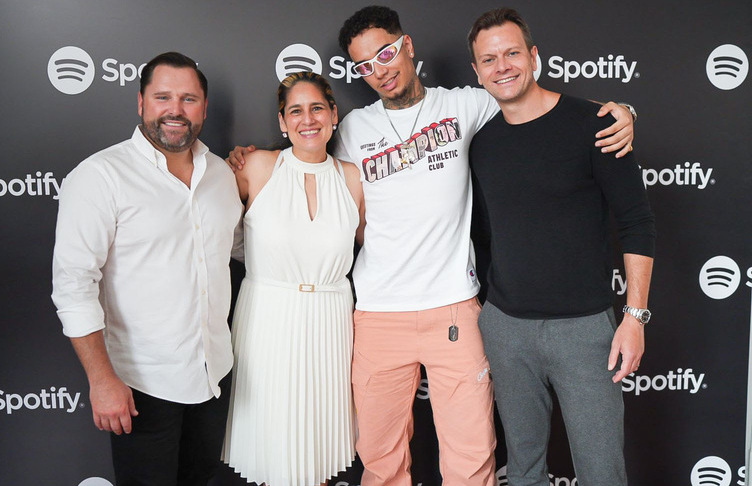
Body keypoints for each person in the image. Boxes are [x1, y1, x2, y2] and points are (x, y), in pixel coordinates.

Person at [229, 6, 635, 485]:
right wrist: (248, 156)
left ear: (407, 45)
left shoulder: (469, 104)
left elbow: (535, 103)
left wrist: (616, 113)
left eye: (385, 52)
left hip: (454, 311)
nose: (379, 69)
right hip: (377, 314)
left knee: (471, 460)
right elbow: (305, 159)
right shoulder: (353, 129)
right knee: (381, 462)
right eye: (365, 64)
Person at [467, 8, 655, 486]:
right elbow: (484, 235)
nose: (502, 66)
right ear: (477, 71)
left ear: (534, 57)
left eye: (512, 53)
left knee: (601, 470)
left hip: (585, 332)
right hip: (506, 330)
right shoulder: (482, 144)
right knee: (523, 469)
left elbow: (637, 223)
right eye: (489, 60)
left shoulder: (597, 123)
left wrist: (634, 318)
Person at [51, 52, 242, 486]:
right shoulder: (101, 175)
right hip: (140, 385)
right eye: (163, 97)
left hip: (213, 376)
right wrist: (101, 380)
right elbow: (74, 285)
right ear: (141, 103)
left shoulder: (221, 174)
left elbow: (241, 247)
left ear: (204, 108)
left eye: (189, 99)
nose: (175, 110)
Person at [221, 71, 364, 486]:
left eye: (317, 107)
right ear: (282, 122)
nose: (308, 119)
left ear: (333, 114)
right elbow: (218, 233)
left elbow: (376, 247)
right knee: (273, 443)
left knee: (317, 444)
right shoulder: (257, 167)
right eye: (295, 111)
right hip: (268, 317)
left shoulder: (353, 178)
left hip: (332, 322)